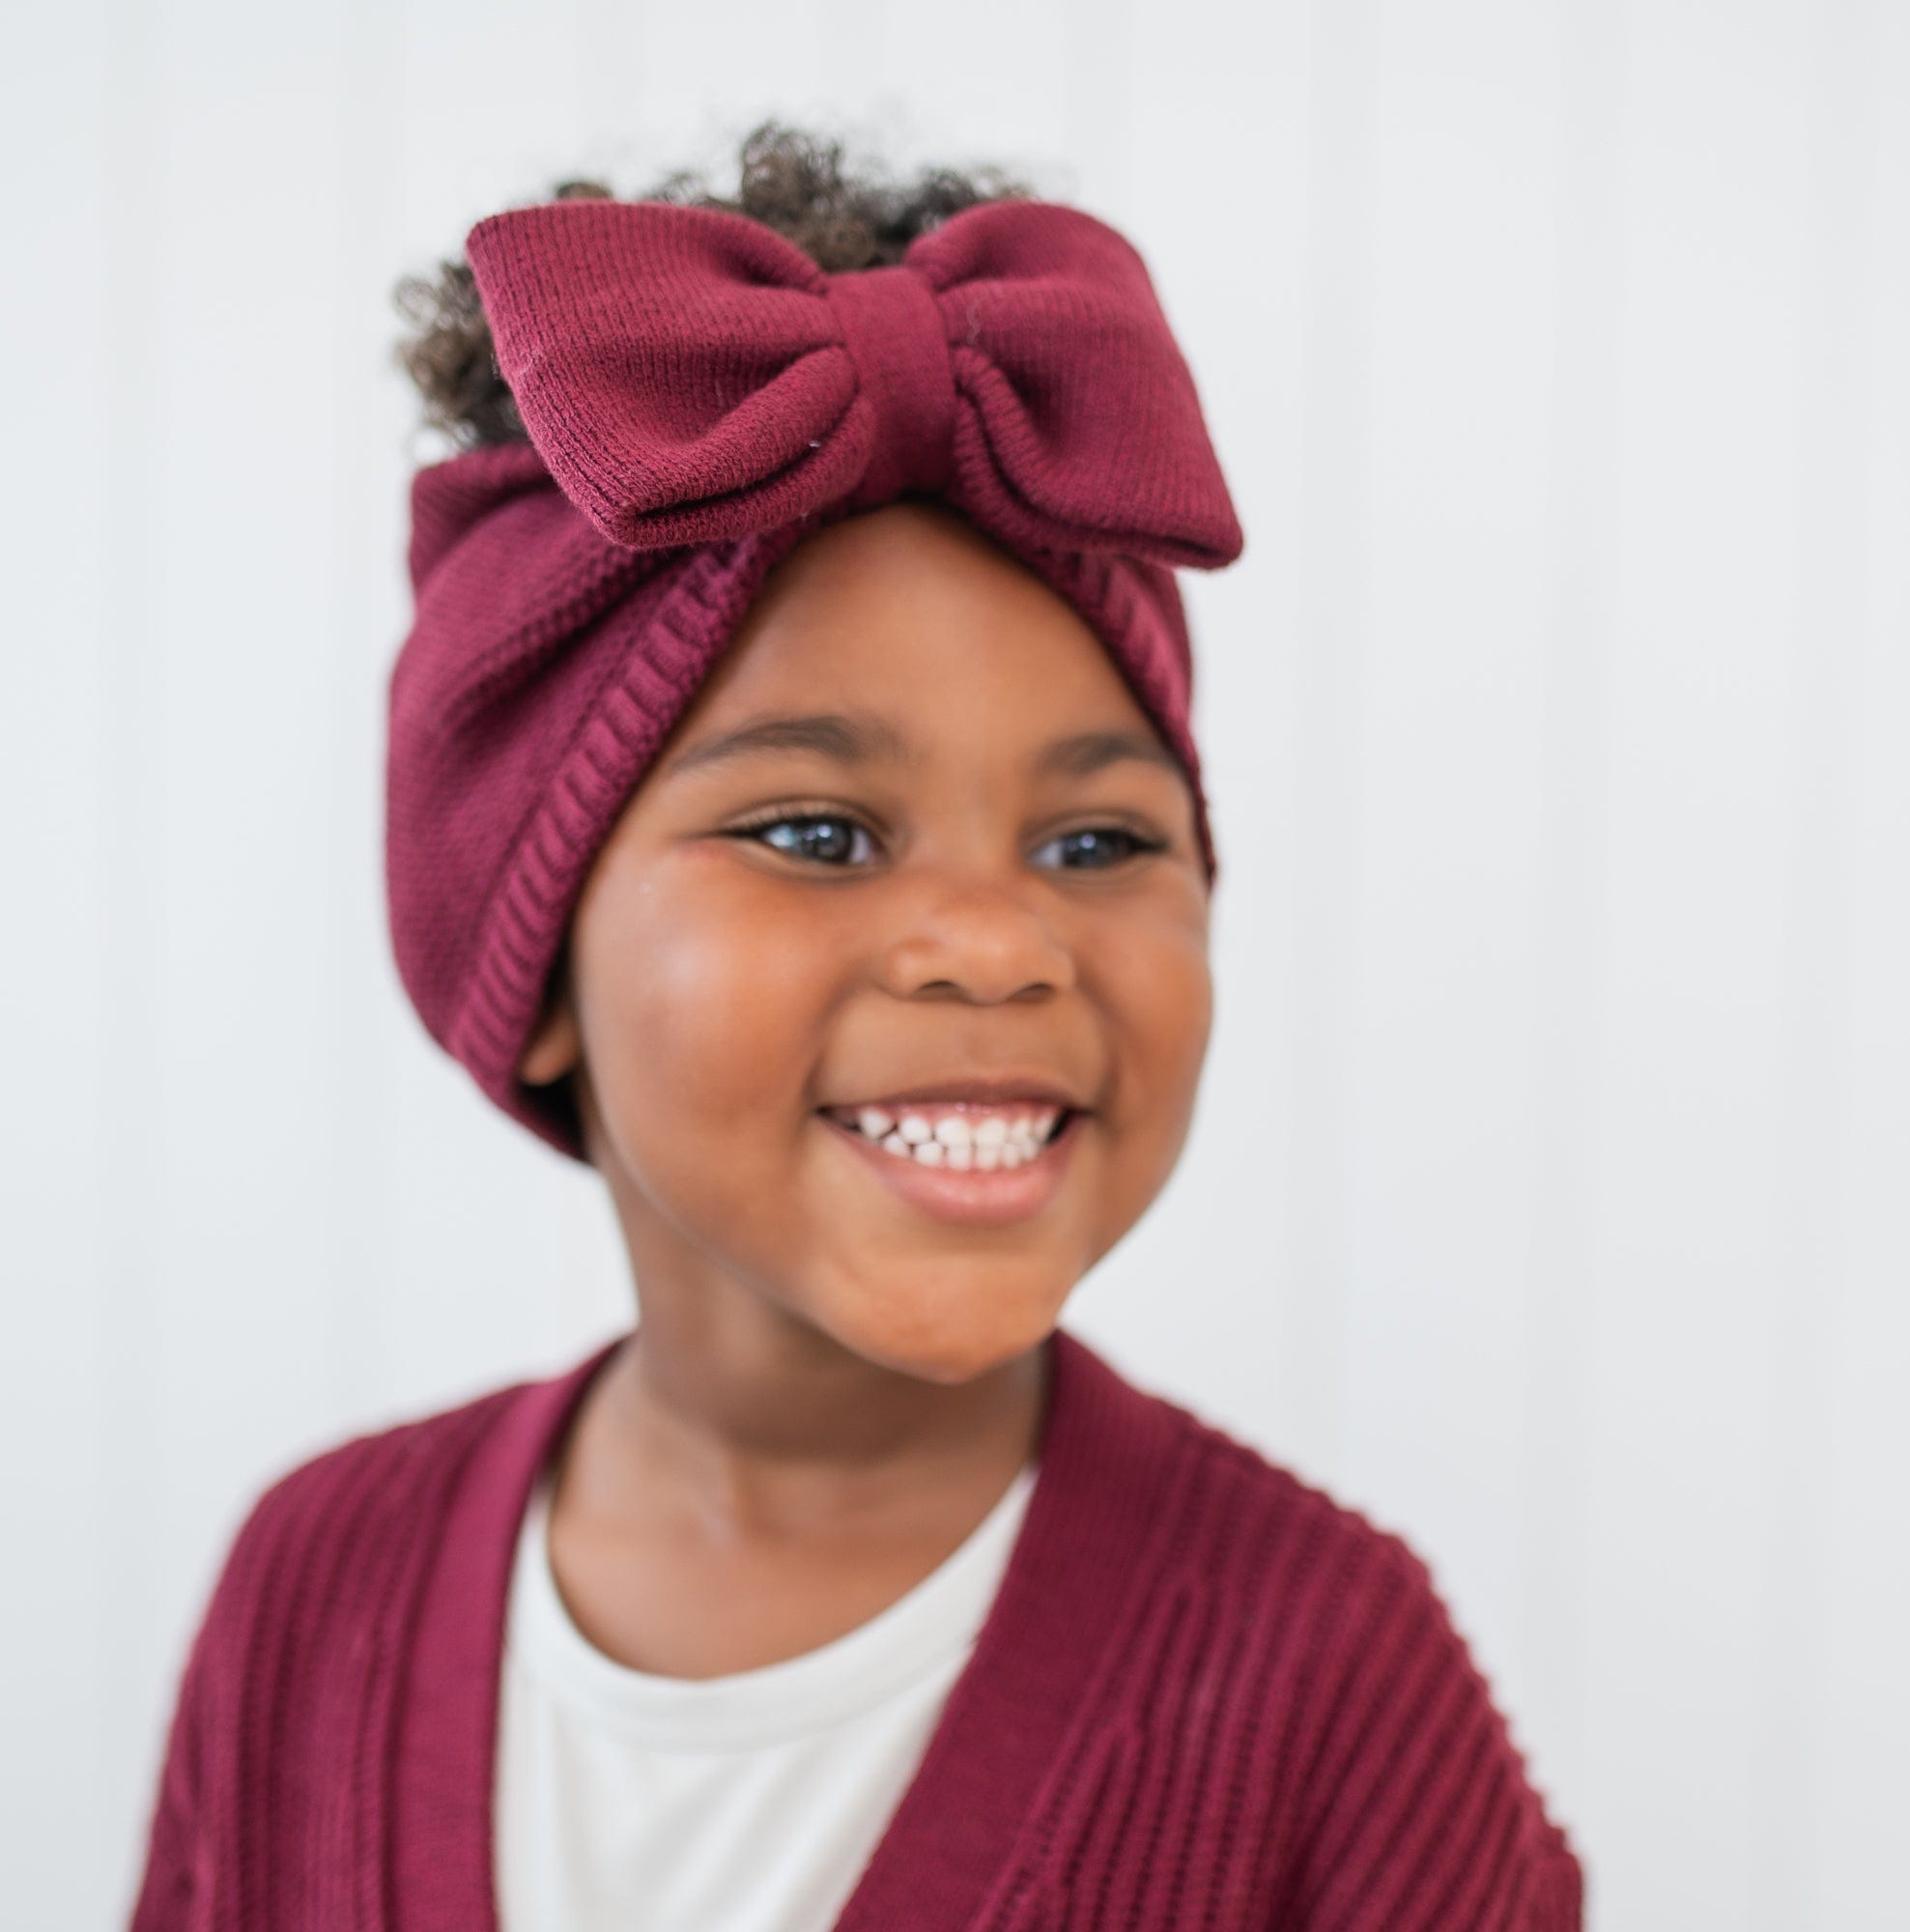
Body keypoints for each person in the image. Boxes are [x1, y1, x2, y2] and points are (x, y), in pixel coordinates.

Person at [128, 120, 1583, 1930]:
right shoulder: (314, 1584)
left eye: (1098, 839)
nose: (995, 942)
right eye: (814, 833)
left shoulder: (1333, 1684)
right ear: (534, 948)